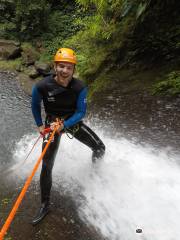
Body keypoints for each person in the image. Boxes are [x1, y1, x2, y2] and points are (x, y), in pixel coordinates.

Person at [31, 48, 105, 225]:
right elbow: (34, 105)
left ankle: (94, 174)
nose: (65, 71)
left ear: (73, 70)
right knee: (47, 165)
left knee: (100, 148)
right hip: (51, 124)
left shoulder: (80, 87)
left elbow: (81, 112)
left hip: (71, 122)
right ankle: (45, 204)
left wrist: (64, 125)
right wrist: (40, 126)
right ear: (55, 66)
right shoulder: (42, 86)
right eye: (61, 66)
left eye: (69, 68)